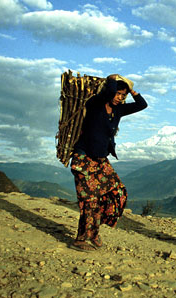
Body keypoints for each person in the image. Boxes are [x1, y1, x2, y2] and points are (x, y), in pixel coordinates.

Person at [69, 74, 148, 252]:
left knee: (118, 192)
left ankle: (94, 232)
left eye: (123, 95)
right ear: (109, 92)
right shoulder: (95, 104)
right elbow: (109, 91)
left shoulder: (119, 110)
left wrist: (131, 89)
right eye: (118, 94)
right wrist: (112, 79)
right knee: (90, 201)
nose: (120, 97)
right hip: (83, 159)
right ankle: (81, 239)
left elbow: (142, 105)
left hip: (101, 161)